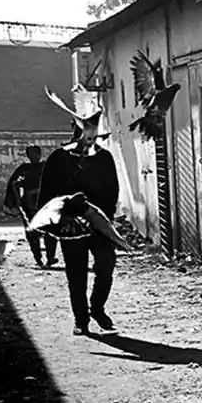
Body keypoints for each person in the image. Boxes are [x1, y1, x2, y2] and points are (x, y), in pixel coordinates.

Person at [36, 120, 122, 336]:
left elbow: (113, 191)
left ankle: (97, 308)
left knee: (106, 265)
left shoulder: (104, 157)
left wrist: (104, 219)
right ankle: (81, 320)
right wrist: (59, 221)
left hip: (98, 224)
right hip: (70, 226)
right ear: (76, 132)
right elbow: (46, 196)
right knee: (76, 274)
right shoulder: (59, 158)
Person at [4, 145, 59, 268]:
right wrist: (17, 199)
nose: (32, 156)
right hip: (29, 205)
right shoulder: (24, 169)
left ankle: (50, 258)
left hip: (45, 204)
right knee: (32, 231)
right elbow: (13, 183)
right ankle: (38, 258)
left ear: (40, 154)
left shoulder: (47, 167)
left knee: (50, 231)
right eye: (30, 154)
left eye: (34, 154)